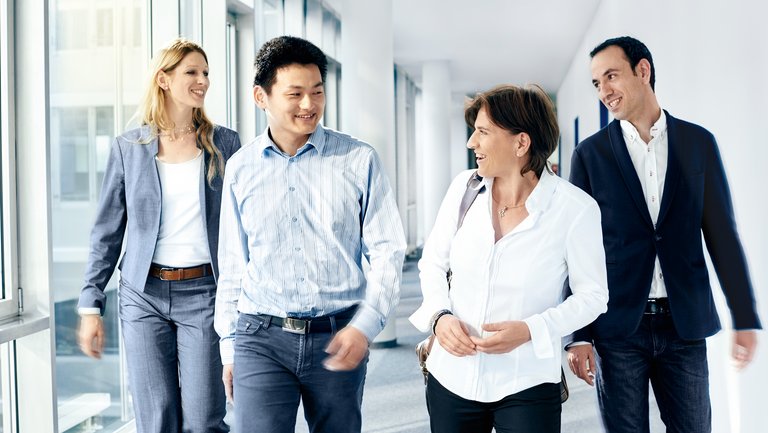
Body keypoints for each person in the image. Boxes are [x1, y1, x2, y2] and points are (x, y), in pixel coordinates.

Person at [567, 36, 762, 433]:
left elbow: (722, 234)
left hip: (684, 325)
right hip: (618, 328)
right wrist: (579, 334)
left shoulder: (698, 143)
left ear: (643, 71)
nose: (603, 91)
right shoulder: (589, 155)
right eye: (596, 83)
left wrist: (744, 315)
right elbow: (576, 249)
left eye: (611, 76)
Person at [214, 35, 406, 433]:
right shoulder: (241, 167)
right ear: (261, 97)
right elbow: (233, 264)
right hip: (260, 335)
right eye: (295, 93)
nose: (309, 105)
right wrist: (229, 346)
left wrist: (366, 324)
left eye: (317, 92)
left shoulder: (357, 159)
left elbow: (388, 250)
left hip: (338, 332)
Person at [409, 84, 609, 433]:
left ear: (521, 143)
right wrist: (439, 317)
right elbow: (433, 264)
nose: (472, 142)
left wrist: (532, 330)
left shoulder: (575, 210)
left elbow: (593, 296)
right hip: (453, 376)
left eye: (483, 132)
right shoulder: (464, 189)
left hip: (526, 380)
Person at [76, 38, 241, 433]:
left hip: (204, 293)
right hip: (142, 294)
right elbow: (107, 231)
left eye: (205, 73)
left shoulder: (226, 144)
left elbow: (243, 226)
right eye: (192, 72)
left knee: (204, 418)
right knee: (157, 417)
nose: (202, 81)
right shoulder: (129, 148)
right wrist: (90, 306)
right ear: (164, 79)